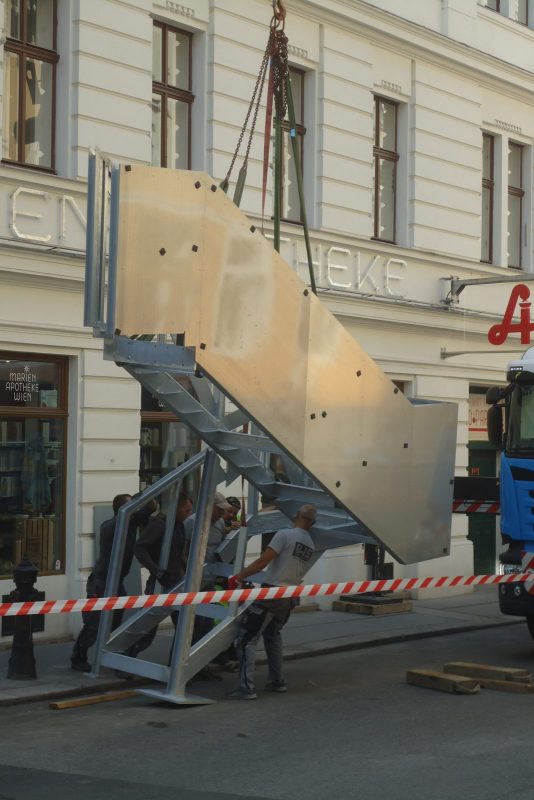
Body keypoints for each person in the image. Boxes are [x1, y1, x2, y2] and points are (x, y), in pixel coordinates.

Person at [225, 503, 316, 700]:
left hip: (272, 594)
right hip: (290, 596)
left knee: (246, 639)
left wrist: (238, 577)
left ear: (297, 516)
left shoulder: (285, 535)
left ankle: (246, 687)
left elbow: (262, 561)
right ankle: (277, 681)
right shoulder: (310, 543)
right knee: (273, 637)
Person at [71, 493, 136, 672]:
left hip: (116, 581)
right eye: (131, 506)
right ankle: (78, 657)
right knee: (96, 623)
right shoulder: (111, 526)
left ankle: (110, 654)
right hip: (103, 581)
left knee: (114, 622)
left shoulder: (128, 525)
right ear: (122, 509)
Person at [128, 492, 193, 658]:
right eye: (186, 510)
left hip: (177, 583)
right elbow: (139, 547)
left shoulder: (179, 525)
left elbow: (180, 553)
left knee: (184, 626)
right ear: (177, 509)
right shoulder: (159, 524)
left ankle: (176, 663)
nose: (189, 514)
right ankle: (128, 655)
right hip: (160, 582)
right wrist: (155, 570)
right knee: (147, 627)